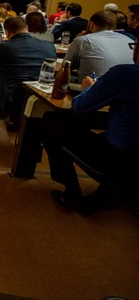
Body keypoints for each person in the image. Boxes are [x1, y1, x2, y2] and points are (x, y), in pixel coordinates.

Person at [39, 39, 139, 214]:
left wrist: (88, 88)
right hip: (133, 155)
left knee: (51, 120)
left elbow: (79, 106)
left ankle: (71, 193)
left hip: (116, 157)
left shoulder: (125, 74)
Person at [63, 10, 134, 80]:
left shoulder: (83, 40)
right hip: (128, 88)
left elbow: (66, 67)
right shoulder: (130, 40)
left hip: (91, 87)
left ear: (91, 24)